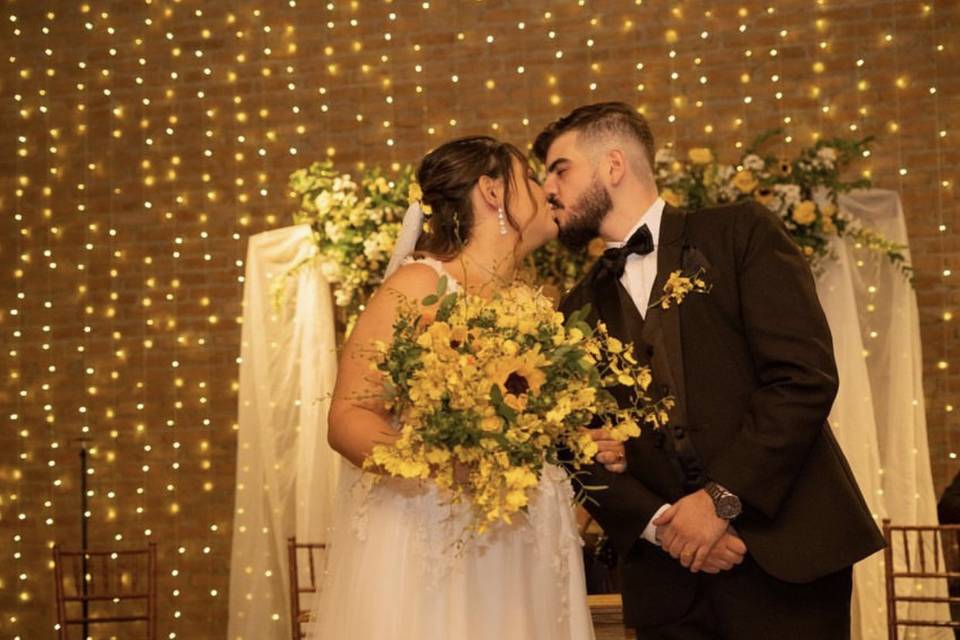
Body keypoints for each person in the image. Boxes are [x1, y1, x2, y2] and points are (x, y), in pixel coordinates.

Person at [534, 102, 885, 640]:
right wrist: (662, 528)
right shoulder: (571, 312)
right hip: (668, 586)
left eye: (560, 169)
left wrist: (722, 500)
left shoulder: (738, 234)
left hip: (785, 556)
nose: (549, 190)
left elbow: (803, 376)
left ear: (612, 165)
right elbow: (573, 444)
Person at [309, 136, 624, 640]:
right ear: (492, 191)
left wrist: (582, 441)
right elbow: (348, 416)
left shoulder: (537, 302)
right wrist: (440, 465)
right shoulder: (418, 287)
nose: (547, 190)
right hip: (443, 525)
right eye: (530, 178)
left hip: (530, 536)